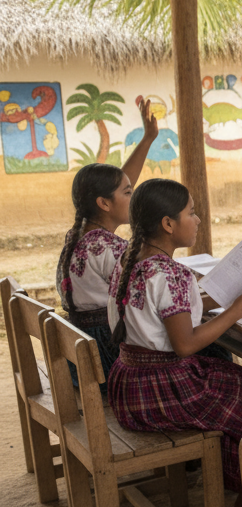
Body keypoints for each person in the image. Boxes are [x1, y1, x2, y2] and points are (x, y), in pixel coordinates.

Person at [107, 178, 242, 496]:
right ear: (168, 223)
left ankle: (237, 480)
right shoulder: (172, 274)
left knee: (238, 395)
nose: (198, 220)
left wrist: (227, 299)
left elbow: (167, 313)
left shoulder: (129, 261)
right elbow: (185, 345)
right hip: (164, 389)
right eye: (192, 212)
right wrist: (237, 311)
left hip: (129, 385)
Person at [56, 96, 159, 385]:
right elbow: (151, 298)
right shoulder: (110, 248)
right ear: (104, 203)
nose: (134, 196)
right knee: (208, 348)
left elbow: (122, 181)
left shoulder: (80, 235)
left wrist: (148, 139)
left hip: (84, 353)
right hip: (107, 359)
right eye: (128, 193)